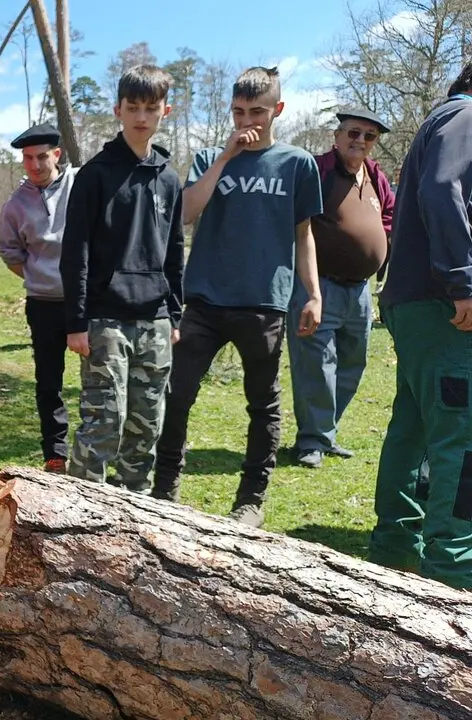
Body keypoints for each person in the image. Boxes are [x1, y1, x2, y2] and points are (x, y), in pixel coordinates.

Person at [152, 67, 323, 528]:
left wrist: (314, 294)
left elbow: (303, 234)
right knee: (178, 392)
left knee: (262, 403)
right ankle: (165, 486)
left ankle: (251, 499)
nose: (247, 119)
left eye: (257, 111)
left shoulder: (297, 164)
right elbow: (186, 214)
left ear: (277, 111)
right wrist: (225, 158)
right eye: (239, 111)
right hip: (203, 301)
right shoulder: (211, 155)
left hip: (264, 302)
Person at [368, 65, 472, 589]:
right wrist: (464, 279)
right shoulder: (468, 115)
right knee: (463, 436)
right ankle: (454, 571)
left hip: (416, 306)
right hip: (443, 309)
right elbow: (442, 187)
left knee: (411, 431)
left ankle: (393, 552)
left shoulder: (443, 118)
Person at [61, 65, 185, 493]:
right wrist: (76, 322)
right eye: (133, 107)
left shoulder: (169, 180)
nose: (141, 117)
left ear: (165, 111)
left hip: (155, 320)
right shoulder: (94, 176)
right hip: (104, 319)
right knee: (103, 423)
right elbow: (74, 252)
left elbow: (173, 253)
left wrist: (174, 315)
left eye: (151, 108)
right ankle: (78, 514)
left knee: (146, 427)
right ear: (118, 109)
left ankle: (138, 517)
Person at [289, 108, 395, 469]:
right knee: (317, 364)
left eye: (369, 136)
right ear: (337, 136)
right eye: (353, 133)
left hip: (359, 291)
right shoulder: (318, 170)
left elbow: (389, 215)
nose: (360, 141)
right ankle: (312, 441)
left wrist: (381, 245)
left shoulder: (375, 176)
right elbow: (294, 216)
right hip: (318, 286)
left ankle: (325, 433)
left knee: (352, 362)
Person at [0, 122, 79, 474]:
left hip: (85, 299)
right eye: (28, 158)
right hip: (43, 303)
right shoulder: (15, 205)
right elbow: (10, 252)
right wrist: (38, 277)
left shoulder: (80, 186)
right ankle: (56, 454)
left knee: (97, 380)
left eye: (42, 157)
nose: (35, 165)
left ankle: (95, 451)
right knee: (49, 381)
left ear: (57, 155)